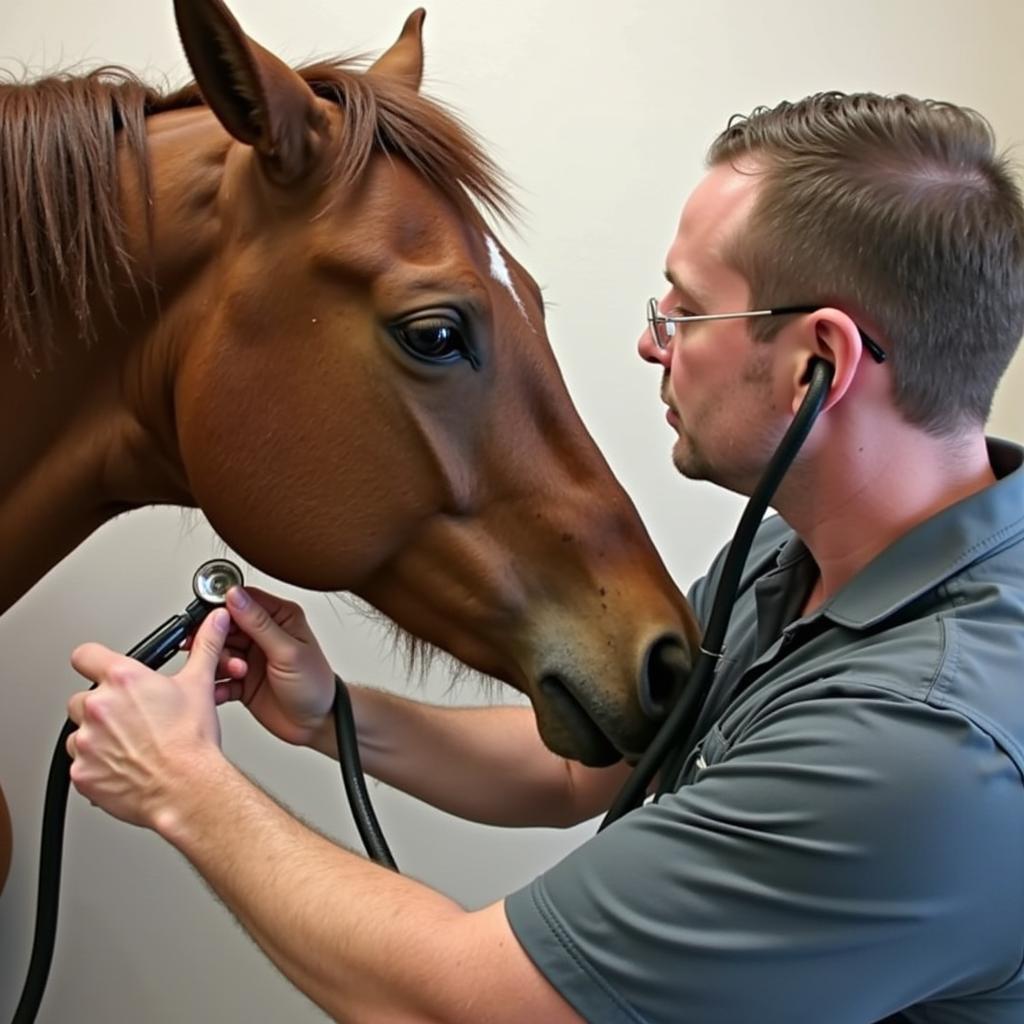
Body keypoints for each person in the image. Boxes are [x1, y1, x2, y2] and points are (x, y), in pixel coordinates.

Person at [66, 91, 1024, 1023]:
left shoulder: (917, 748)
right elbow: (586, 769)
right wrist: (333, 716)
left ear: (819, 363)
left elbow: (465, 1005)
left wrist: (181, 785)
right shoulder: (807, 555)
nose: (652, 343)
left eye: (685, 313)